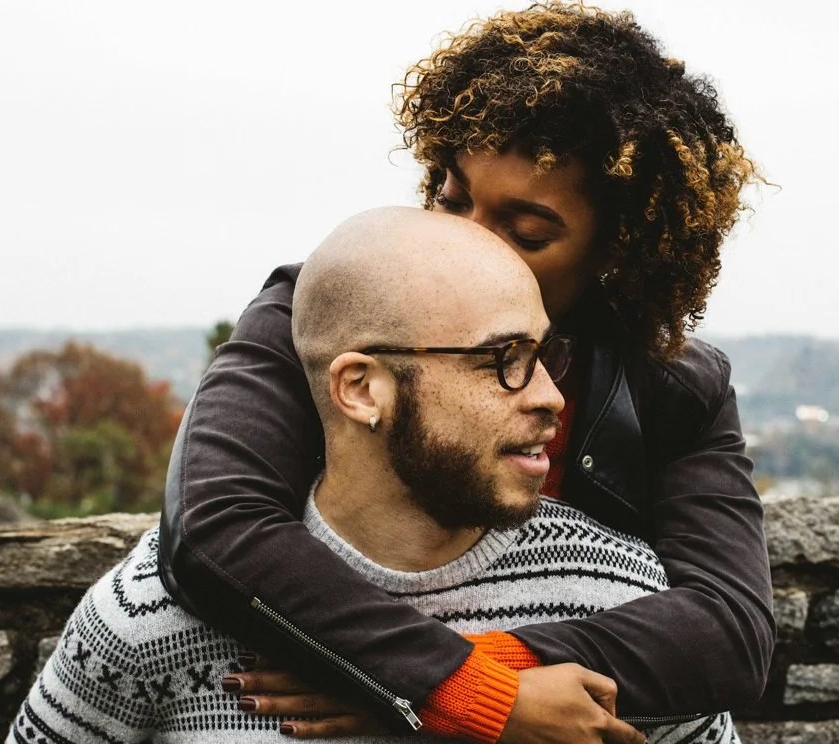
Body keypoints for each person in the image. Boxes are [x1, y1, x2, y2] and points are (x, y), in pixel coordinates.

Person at [160, 2, 774, 741]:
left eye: (526, 232)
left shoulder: (676, 388)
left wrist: (475, 677)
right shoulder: (323, 311)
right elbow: (213, 527)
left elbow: (731, 630)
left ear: (618, 253)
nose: (468, 242)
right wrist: (455, 687)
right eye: (452, 199)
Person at [8, 206, 739, 743]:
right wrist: (467, 696)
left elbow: (732, 631)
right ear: (361, 389)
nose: (549, 395)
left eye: (546, 355)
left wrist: (445, 690)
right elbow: (216, 524)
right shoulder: (151, 617)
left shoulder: (619, 598)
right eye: (503, 359)